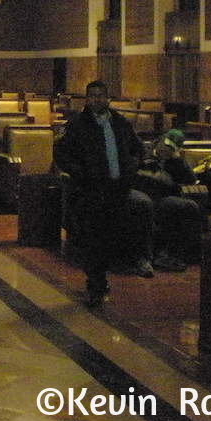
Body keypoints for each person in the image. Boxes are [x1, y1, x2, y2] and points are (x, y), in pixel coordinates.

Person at [53, 80, 155, 308]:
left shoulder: (120, 123)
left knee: (111, 236)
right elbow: (61, 155)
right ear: (87, 99)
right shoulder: (77, 125)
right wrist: (82, 174)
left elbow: (137, 148)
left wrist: (131, 167)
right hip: (91, 191)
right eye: (93, 96)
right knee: (94, 240)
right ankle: (96, 285)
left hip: (118, 190)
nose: (98, 100)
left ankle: (111, 274)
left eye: (102, 96)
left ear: (108, 98)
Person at [135, 129, 203, 272]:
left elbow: (191, 180)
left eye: (171, 148)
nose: (166, 150)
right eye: (165, 146)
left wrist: (177, 159)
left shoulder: (175, 162)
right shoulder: (144, 154)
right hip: (141, 197)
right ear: (159, 142)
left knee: (190, 206)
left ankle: (177, 255)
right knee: (146, 205)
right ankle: (151, 257)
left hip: (163, 199)